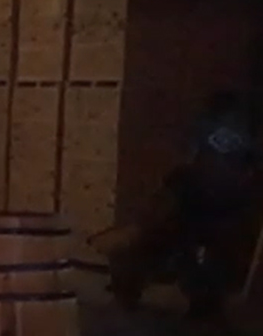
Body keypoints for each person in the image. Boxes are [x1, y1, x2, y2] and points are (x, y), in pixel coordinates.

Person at [107, 91, 258, 319]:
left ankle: (141, 284)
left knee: (170, 237)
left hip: (217, 211)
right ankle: (136, 282)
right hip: (208, 208)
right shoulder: (226, 144)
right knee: (163, 234)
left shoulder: (216, 144)